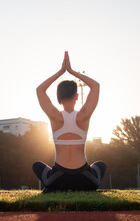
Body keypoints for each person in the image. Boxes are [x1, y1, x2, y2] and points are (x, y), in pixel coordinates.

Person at [33, 51, 106, 192]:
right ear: (77, 96)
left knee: (37, 165)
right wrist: (72, 71)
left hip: (58, 178)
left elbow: (40, 90)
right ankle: (84, 188)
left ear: (58, 97)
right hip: (85, 179)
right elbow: (95, 86)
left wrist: (61, 72)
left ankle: (53, 188)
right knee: (100, 165)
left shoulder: (55, 116)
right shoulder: (84, 116)